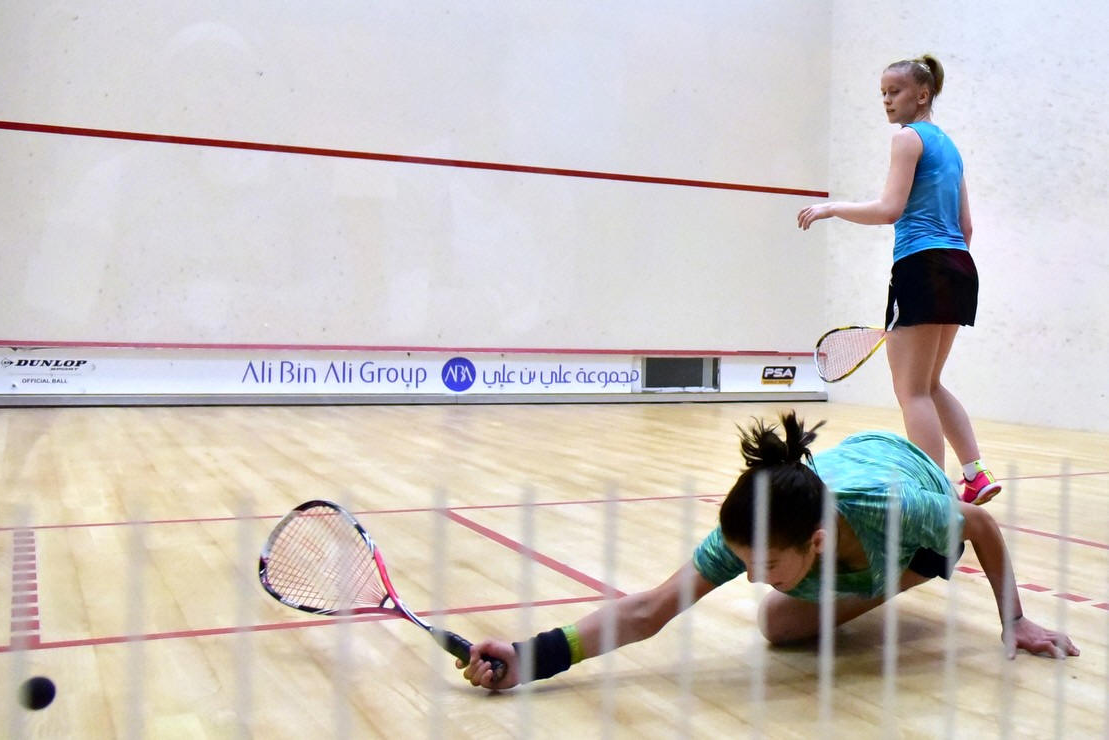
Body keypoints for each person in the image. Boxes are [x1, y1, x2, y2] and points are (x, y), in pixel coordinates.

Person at [458, 412, 1078, 691]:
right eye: (746, 561)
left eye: (769, 564)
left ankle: (911, 569)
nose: (752, 575)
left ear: (816, 540)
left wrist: (1015, 619)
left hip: (908, 474)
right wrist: (532, 656)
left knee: (935, 544)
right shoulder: (753, 532)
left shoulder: (892, 508)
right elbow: (649, 610)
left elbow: (980, 523)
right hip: (840, 475)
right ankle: (885, 575)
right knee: (776, 624)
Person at [796, 55, 999, 505]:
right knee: (930, 384)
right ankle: (975, 474)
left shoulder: (907, 138)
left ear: (922, 95)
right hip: (959, 268)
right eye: (883, 93)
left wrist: (833, 207)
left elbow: (890, 209)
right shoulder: (950, 148)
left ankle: (934, 496)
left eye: (896, 92)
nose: (887, 100)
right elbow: (966, 226)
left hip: (922, 266)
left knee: (911, 392)